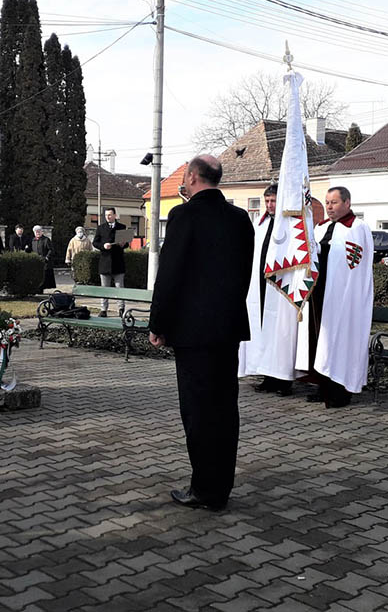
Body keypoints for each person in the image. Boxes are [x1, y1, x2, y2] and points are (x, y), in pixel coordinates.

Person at [149, 155, 253, 512]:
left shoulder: (184, 215)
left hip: (193, 331)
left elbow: (170, 274)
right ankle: (220, 486)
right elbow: (244, 273)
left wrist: (158, 324)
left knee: (197, 411)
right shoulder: (241, 219)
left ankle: (204, 489)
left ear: (192, 177)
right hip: (227, 328)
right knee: (225, 408)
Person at [296, 186, 374, 408]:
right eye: (327, 203)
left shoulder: (357, 228)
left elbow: (355, 267)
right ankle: (323, 385)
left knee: (340, 341)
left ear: (347, 203)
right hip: (319, 294)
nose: (329, 207)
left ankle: (340, 389)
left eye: (334, 202)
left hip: (343, 297)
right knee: (321, 340)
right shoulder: (321, 228)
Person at [238, 184, 293, 395]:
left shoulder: (289, 225)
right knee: (263, 331)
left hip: (280, 288)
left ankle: (283, 379)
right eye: (267, 201)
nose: (270, 205)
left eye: (273, 201)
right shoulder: (260, 225)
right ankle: (267, 376)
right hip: (260, 285)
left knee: (279, 333)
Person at [92, 208, 128, 318]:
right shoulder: (101, 228)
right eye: (106, 215)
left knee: (119, 288)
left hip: (118, 262)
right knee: (105, 288)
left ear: (115, 215)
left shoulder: (122, 227)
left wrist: (123, 244)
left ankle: (121, 309)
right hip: (105, 262)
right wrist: (103, 246)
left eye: (110, 215)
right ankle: (103, 310)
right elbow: (95, 242)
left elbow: (126, 244)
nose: (108, 217)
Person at [31, 225, 56, 291]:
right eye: (36, 232)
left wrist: (47, 257)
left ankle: (41, 289)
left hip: (45, 262)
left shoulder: (46, 240)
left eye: (39, 231)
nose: (38, 233)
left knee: (44, 277)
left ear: (42, 232)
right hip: (36, 262)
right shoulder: (33, 240)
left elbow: (51, 250)